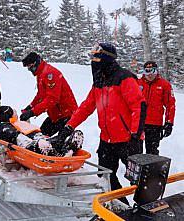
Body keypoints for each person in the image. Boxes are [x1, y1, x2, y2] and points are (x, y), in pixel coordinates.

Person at [58, 42, 146, 205]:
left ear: (106, 59)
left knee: (139, 178)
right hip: (107, 139)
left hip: (128, 140)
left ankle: (145, 207)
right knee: (105, 175)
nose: (93, 62)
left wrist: (135, 135)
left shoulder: (124, 78)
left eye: (96, 58)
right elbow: (86, 107)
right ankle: (121, 206)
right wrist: (69, 127)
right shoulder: (99, 82)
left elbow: (138, 106)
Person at [0, 106, 83, 157]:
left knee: (36, 135)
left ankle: (60, 145)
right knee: (8, 132)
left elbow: (14, 115)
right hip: (3, 128)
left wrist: (7, 111)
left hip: (21, 127)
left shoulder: (2, 111)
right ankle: (35, 147)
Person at [20, 52, 78, 137]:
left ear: (35, 63)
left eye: (30, 67)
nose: (30, 70)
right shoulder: (41, 74)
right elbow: (41, 95)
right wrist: (30, 107)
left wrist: (33, 112)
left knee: (59, 143)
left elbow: (52, 99)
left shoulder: (50, 74)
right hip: (55, 114)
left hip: (66, 114)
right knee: (41, 136)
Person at [138, 61, 176, 155]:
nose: (150, 74)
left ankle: (151, 169)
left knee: (152, 151)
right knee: (136, 150)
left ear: (157, 71)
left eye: (153, 71)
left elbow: (170, 105)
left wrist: (169, 122)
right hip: (138, 122)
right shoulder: (138, 83)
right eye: (147, 71)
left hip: (154, 124)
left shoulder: (164, 84)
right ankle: (135, 169)